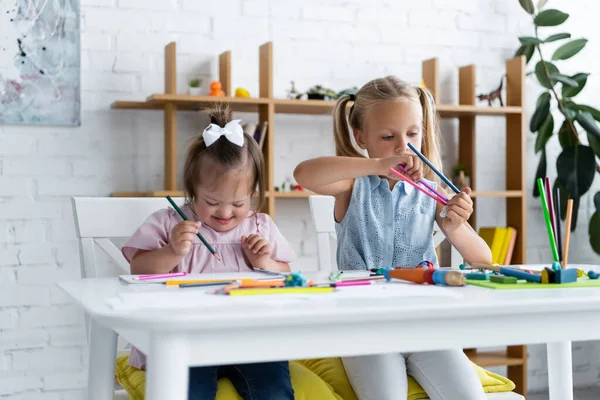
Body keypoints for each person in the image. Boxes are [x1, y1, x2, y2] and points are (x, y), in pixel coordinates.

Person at [294, 75, 491, 400]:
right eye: (388, 136)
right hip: (364, 324)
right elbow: (303, 174)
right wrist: (376, 165)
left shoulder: (430, 192)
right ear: (361, 137)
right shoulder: (352, 187)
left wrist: (455, 227)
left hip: (422, 323)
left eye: (413, 133)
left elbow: (484, 259)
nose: (403, 146)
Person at [122, 104, 296, 400]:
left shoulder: (261, 226)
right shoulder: (170, 223)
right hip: (186, 339)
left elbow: (287, 274)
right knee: (188, 391)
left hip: (249, 338)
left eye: (239, 203)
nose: (226, 212)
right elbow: (137, 269)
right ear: (192, 190)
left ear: (253, 193)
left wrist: (265, 261)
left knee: (275, 389)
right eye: (212, 202)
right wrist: (172, 252)